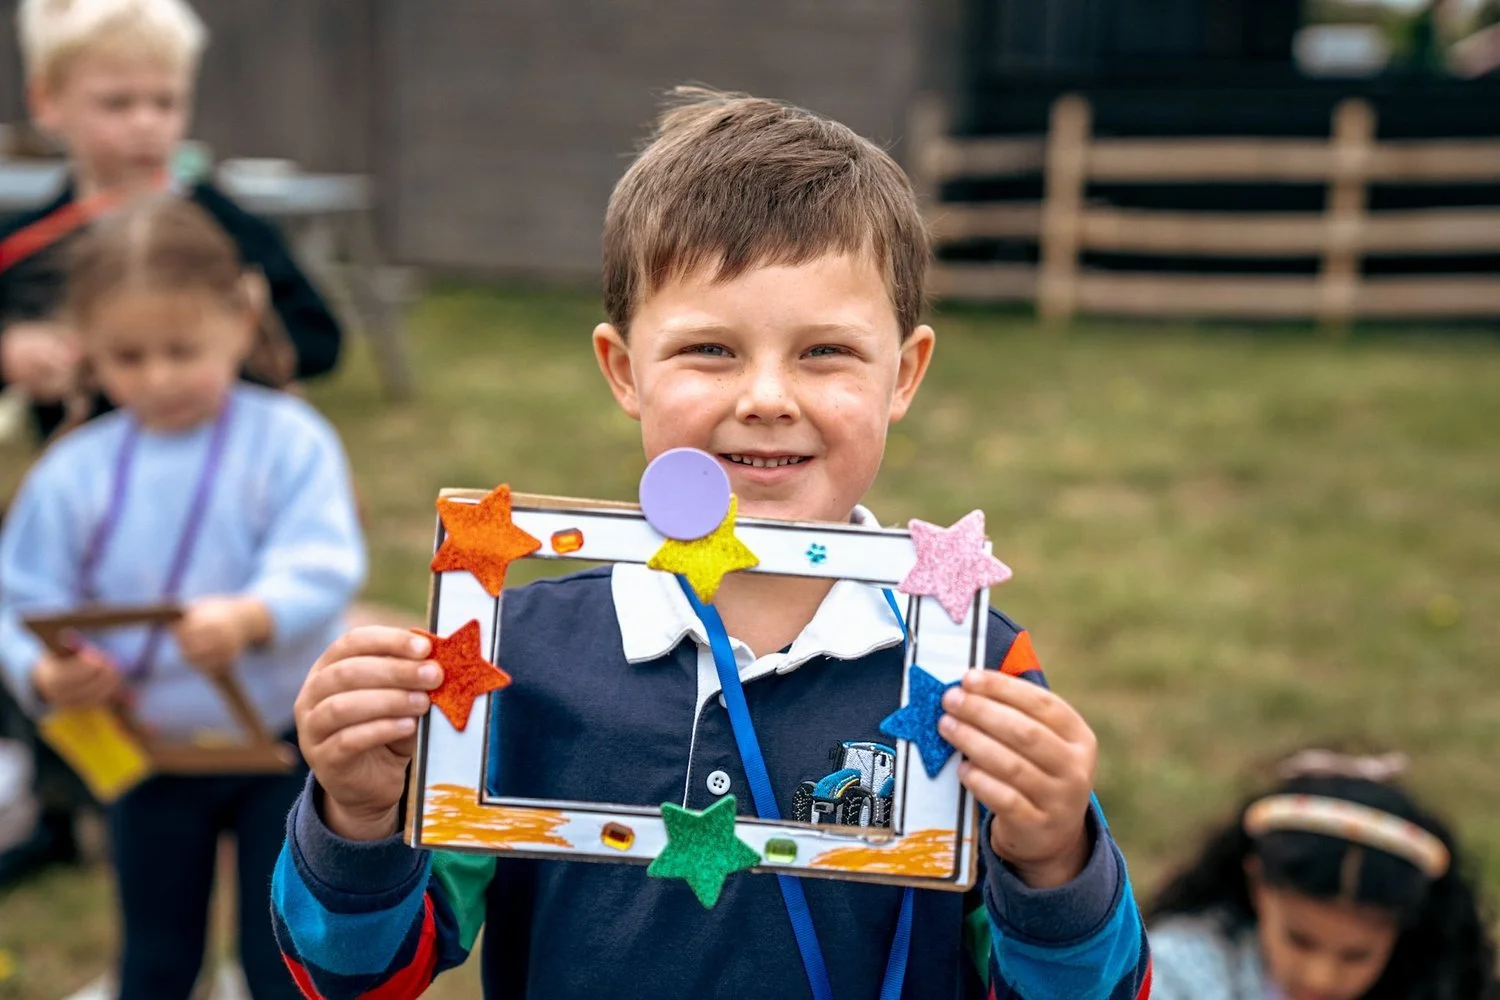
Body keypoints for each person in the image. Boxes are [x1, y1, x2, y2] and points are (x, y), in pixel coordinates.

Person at [270, 87, 1152, 999]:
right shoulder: (511, 660)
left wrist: (1054, 861)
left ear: (905, 373)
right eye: (711, 351)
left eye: (826, 353)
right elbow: (358, 978)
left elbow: (1093, 991)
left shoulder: (976, 667)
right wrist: (357, 819)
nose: (766, 396)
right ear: (624, 370)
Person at [0, 0, 344, 887]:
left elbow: (320, 334)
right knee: (83, 639)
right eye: (119, 103)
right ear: (51, 103)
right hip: (89, 480)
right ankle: (58, 808)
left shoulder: (219, 220)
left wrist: (240, 356)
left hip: (232, 479)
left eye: (164, 102)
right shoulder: (31, 240)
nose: (146, 124)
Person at [0, 195, 365, 999]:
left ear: (240, 319)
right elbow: (18, 599)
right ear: (89, 351)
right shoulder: (74, 470)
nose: (158, 377)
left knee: (284, 956)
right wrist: (44, 673)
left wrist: (251, 615)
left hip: (282, 741)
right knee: (157, 955)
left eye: (182, 348)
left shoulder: (289, 440)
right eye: (128, 357)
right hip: (147, 750)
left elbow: (325, 558)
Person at [1147, 749, 1497, 1000]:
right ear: (1257, 885)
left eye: (1357, 956)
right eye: (1299, 940)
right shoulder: (1172, 975)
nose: (1321, 977)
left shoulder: (1436, 981)